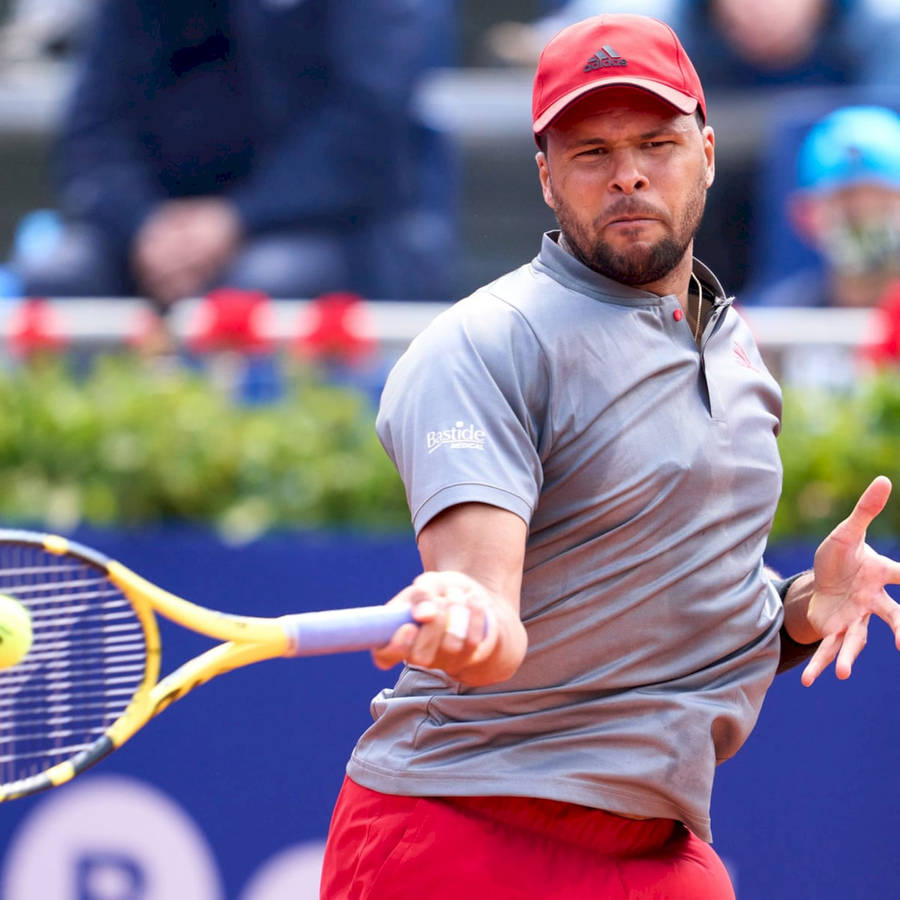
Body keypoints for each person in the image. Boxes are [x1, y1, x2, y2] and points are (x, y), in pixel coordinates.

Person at [320, 14, 900, 899]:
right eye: (590, 151)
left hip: (660, 848)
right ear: (547, 178)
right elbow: (487, 606)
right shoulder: (482, 347)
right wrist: (464, 614)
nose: (627, 172)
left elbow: (679, 609)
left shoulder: (737, 351)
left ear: (707, 149)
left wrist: (801, 608)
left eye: (656, 142)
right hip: (459, 830)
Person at [9, 0, 457, 305]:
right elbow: (93, 129)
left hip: (330, 228)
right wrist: (146, 224)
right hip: (156, 230)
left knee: (254, 290)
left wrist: (234, 218)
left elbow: (364, 136)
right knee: (57, 277)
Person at [750, 105, 900, 310]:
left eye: (883, 200)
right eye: (846, 200)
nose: (866, 214)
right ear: (804, 216)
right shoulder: (773, 324)